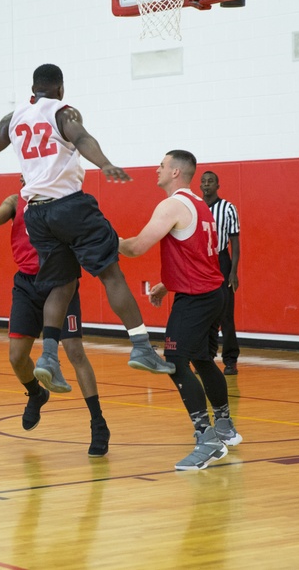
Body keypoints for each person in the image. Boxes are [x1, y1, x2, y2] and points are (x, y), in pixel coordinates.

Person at [0, 63, 173, 393]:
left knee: (61, 284)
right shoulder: (64, 112)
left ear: (32, 89)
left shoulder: (13, 118)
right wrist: (104, 163)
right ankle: (141, 346)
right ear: (60, 89)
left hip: (36, 213)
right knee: (110, 273)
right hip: (69, 205)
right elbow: (82, 138)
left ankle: (48, 355)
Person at [0, 188, 110, 456]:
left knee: (75, 351)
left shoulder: (64, 198)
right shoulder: (13, 201)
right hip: (27, 285)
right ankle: (35, 393)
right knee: (16, 356)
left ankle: (98, 423)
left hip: (60, 281)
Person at [119, 151, 242, 470]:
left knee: (174, 361)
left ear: (175, 172)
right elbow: (198, 255)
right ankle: (225, 427)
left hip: (197, 299)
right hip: (214, 294)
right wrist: (168, 282)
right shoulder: (201, 206)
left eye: (161, 165)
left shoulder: (172, 205)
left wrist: (105, 239)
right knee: (201, 358)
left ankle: (207, 440)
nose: (156, 170)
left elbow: (135, 248)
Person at [199, 171, 241, 375]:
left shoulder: (228, 208)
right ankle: (205, 357)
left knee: (226, 313)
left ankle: (230, 360)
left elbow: (235, 241)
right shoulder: (194, 208)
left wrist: (233, 271)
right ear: (200, 186)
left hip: (221, 260)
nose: (207, 185)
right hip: (200, 262)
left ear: (218, 185)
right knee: (203, 312)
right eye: (204, 181)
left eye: (211, 181)